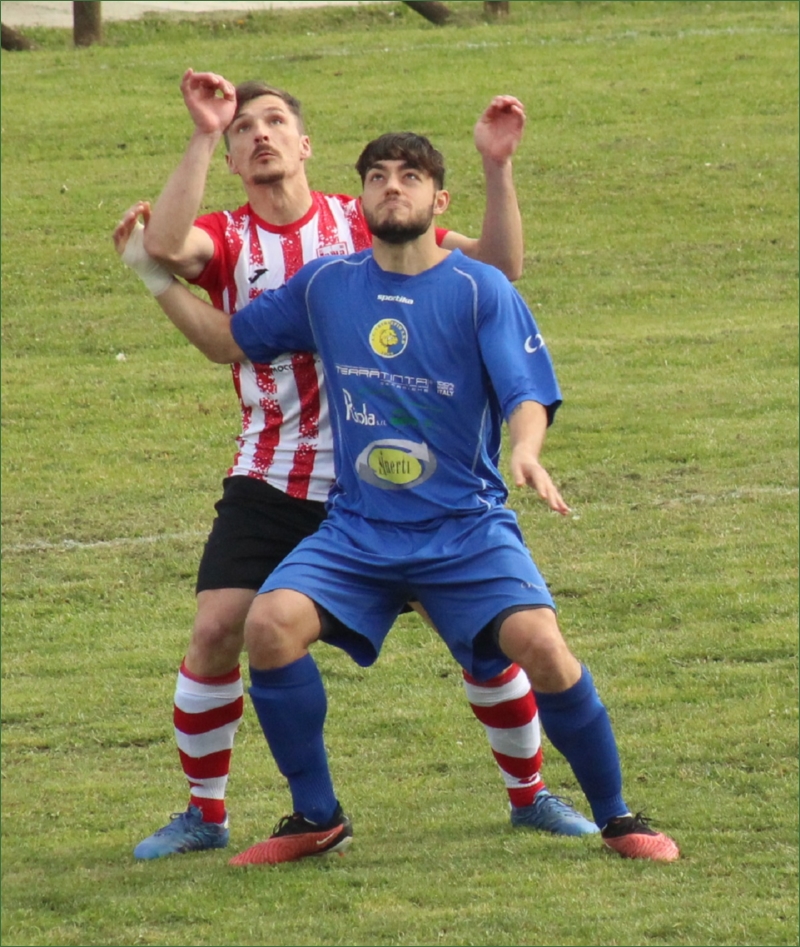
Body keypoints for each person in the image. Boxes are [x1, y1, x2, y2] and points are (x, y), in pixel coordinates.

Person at [116, 130, 680, 866]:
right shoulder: (326, 286)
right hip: (359, 528)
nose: (392, 185)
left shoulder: (479, 289)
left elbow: (525, 391)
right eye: (378, 175)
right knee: (269, 625)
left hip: (465, 527)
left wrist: (526, 450)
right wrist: (153, 276)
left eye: (410, 176)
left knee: (542, 646)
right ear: (361, 198)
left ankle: (616, 815)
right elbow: (228, 342)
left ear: (438, 202)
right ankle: (315, 816)